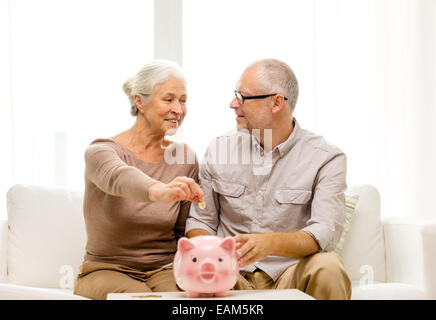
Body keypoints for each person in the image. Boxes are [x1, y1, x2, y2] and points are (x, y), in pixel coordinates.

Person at [185, 58, 352, 300]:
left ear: (276, 102)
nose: (233, 104)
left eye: (243, 97)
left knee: (329, 266)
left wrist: (268, 244)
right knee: (195, 275)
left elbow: (324, 232)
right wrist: (213, 257)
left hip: (290, 272)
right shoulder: (219, 149)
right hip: (230, 275)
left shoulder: (327, 158)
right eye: (235, 95)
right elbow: (201, 221)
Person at [74, 60, 204, 300]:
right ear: (139, 101)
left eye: (183, 100)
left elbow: (183, 229)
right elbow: (118, 176)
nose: (178, 109)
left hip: (164, 269)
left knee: (192, 300)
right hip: (106, 269)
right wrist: (159, 191)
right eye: (169, 99)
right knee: (142, 299)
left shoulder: (185, 158)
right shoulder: (102, 151)